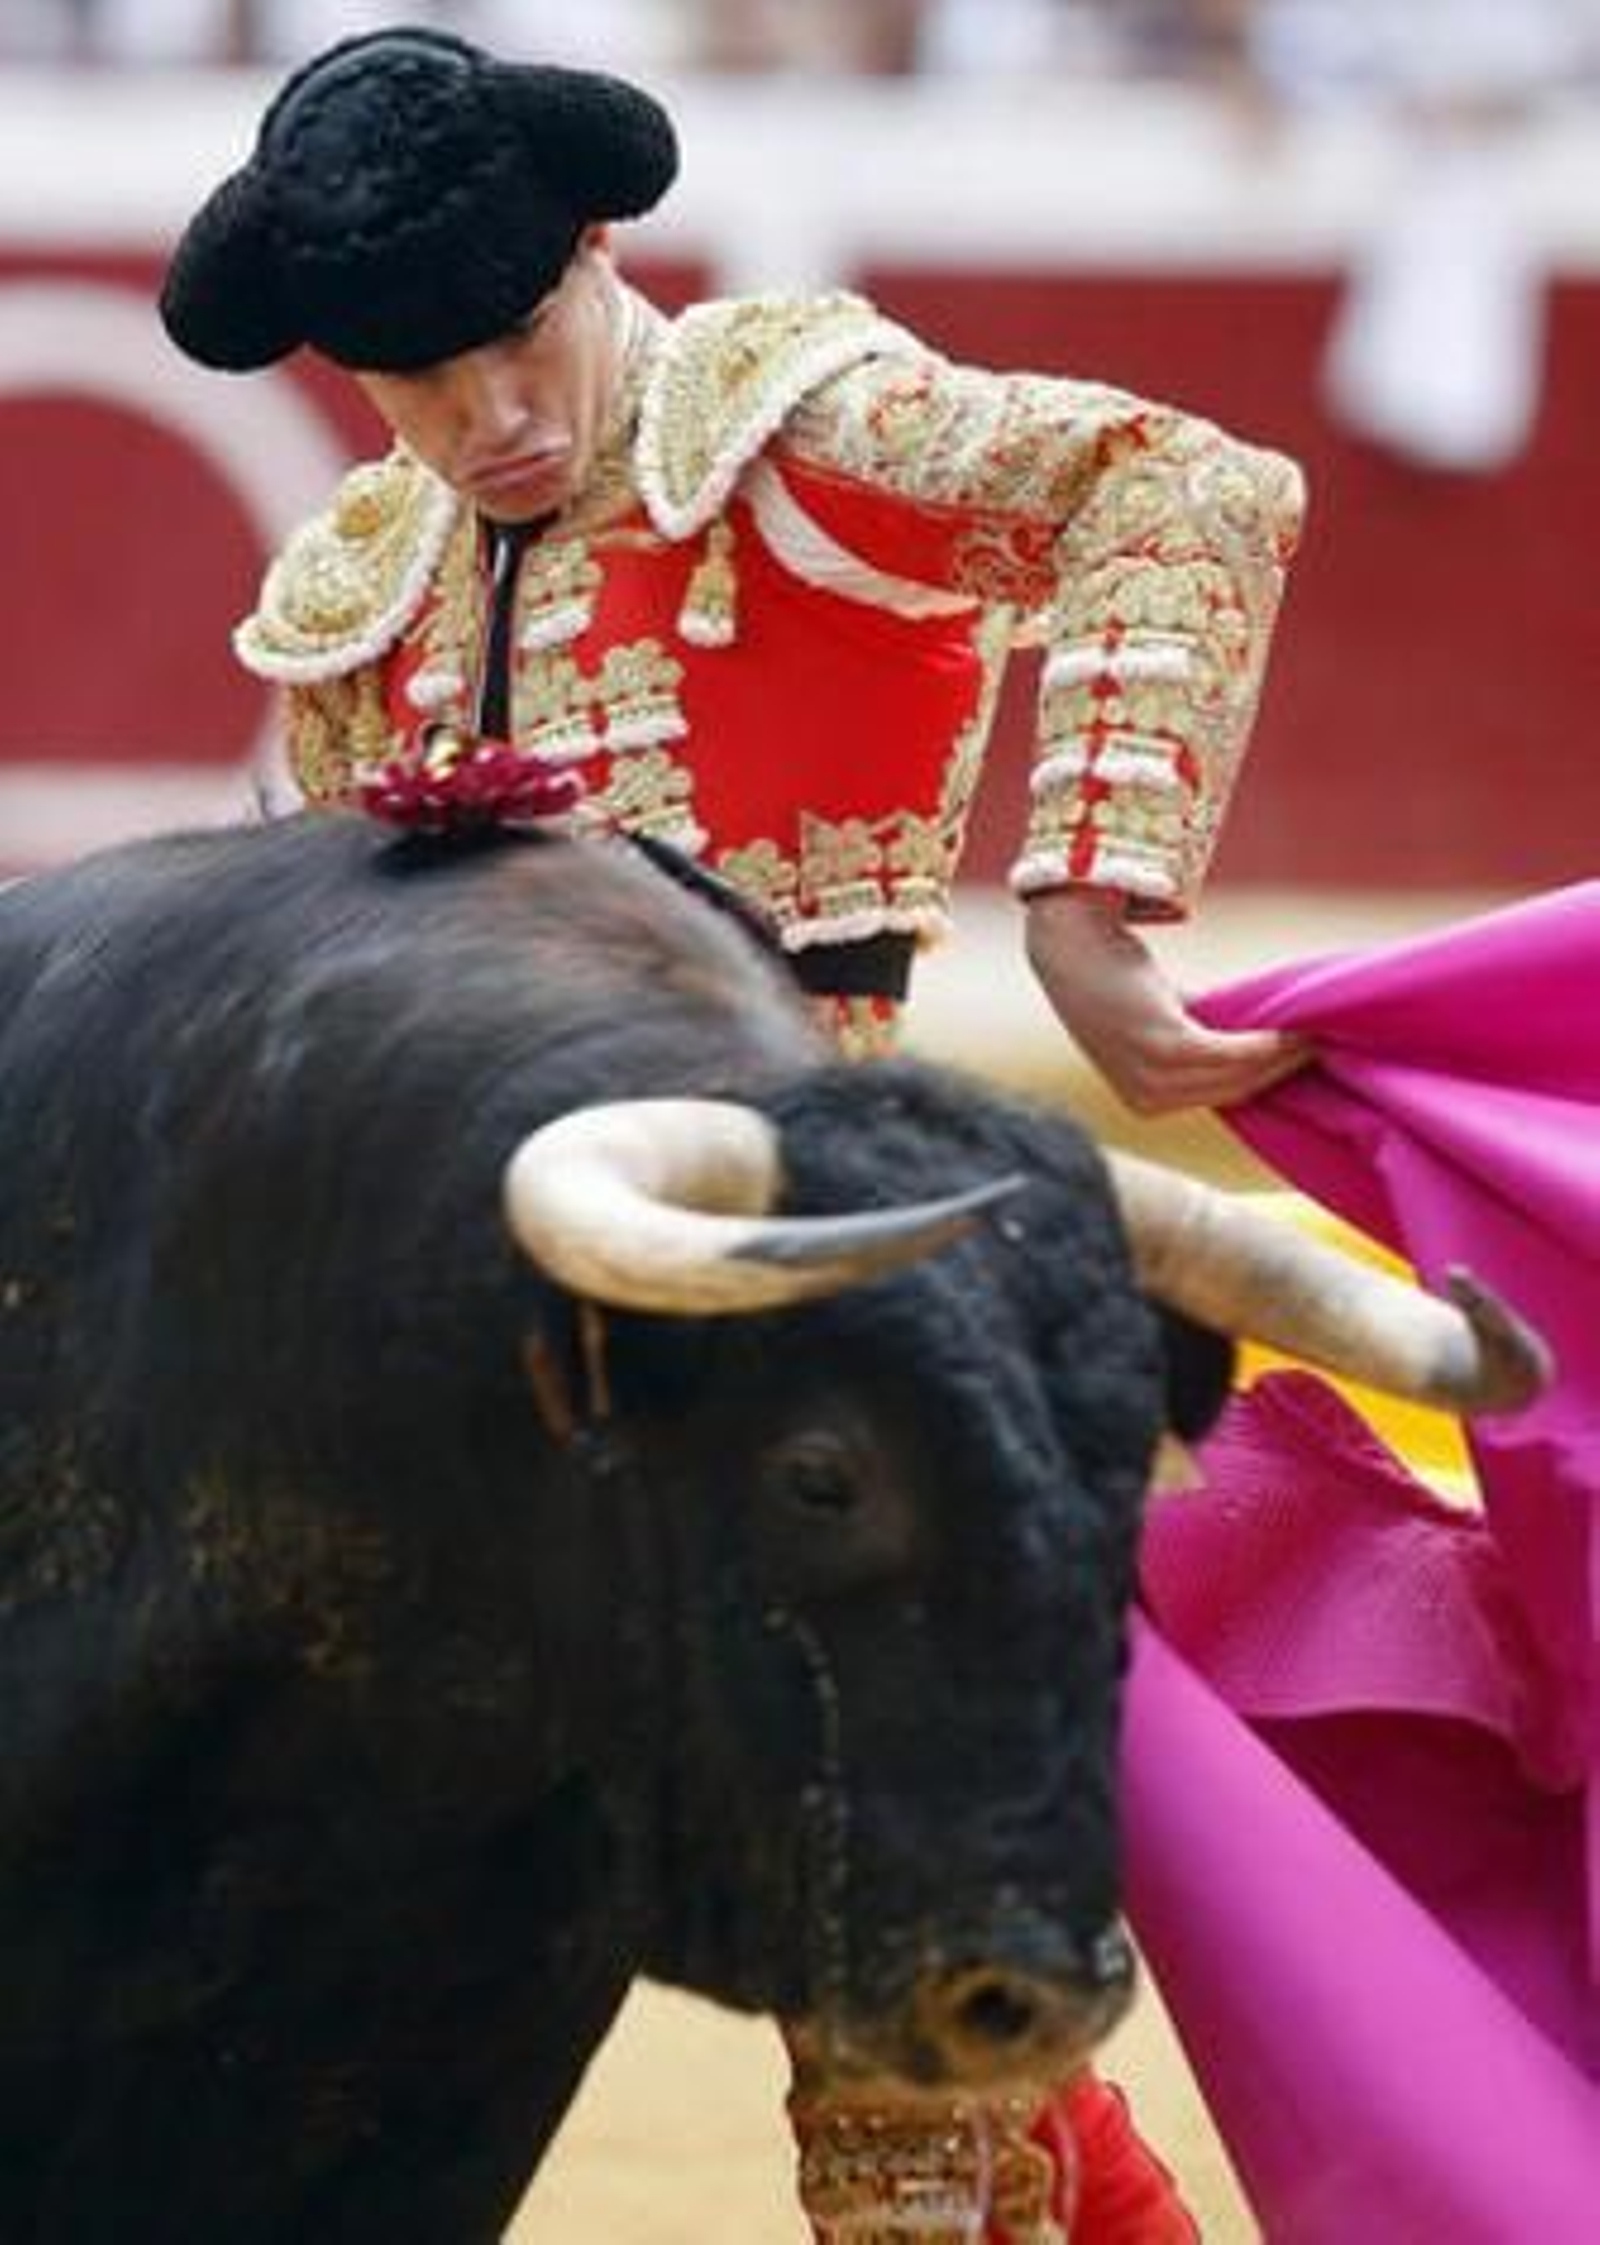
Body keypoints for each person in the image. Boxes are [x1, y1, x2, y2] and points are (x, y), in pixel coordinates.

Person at [159, 25, 1308, 2236]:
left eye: (515, 337)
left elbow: (1178, 487)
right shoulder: (362, 584)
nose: (488, 416)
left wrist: (1090, 899)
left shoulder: (784, 434)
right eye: (416, 381)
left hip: (829, 1312)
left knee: (906, 2030)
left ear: (600, 248)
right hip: (494, 1366)